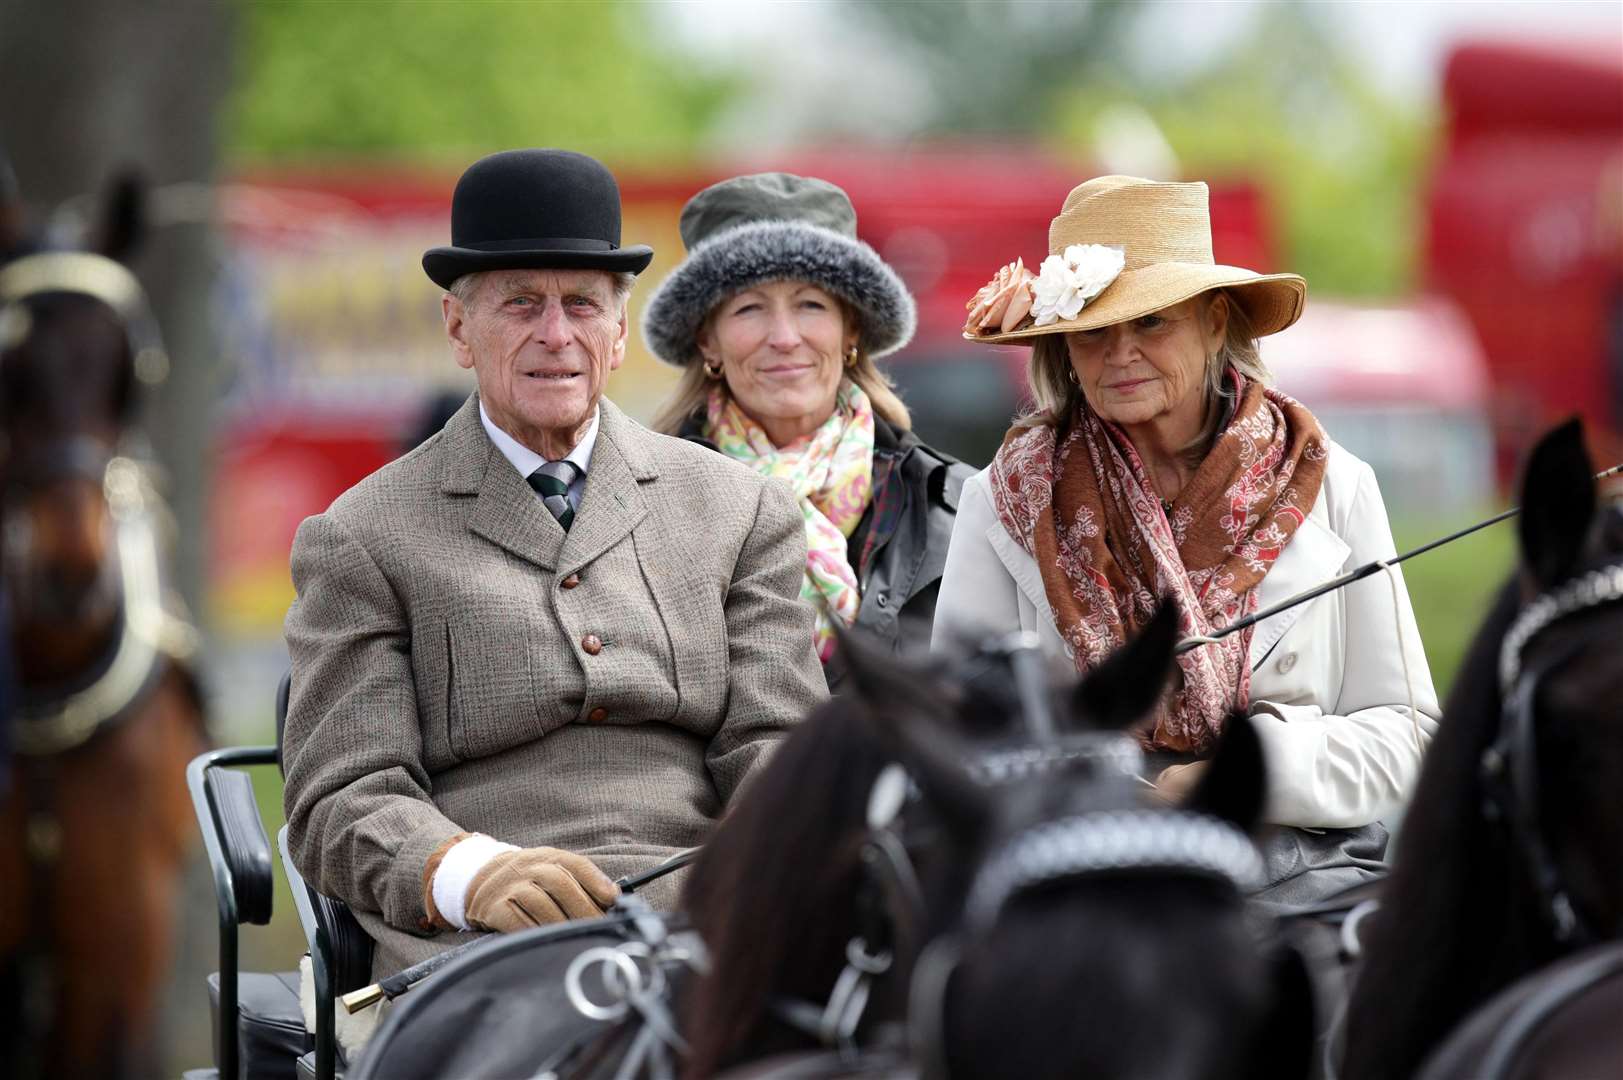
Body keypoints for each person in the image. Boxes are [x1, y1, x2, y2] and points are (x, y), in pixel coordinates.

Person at [281, 149, 827, 978]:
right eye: (520, 304)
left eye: (580, 304)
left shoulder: (739, 510)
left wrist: (759, 885)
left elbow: (777, 747)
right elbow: (342, 796)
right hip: (479, 947)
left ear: (617, 333)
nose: (555, 335)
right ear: (459, 328)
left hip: (707, 917)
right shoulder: (362, 536)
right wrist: (466, 874)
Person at [934, 175, 1440, 905]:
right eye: (1093, 332)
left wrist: (1240, 771)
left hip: (1301, 871)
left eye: (1150, 323)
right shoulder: (1006, 498)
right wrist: (1108, 793)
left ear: (1214, 322)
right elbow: (965, 732)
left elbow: (1406, 731)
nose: (1119, 355)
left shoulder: (1332, 484)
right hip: (1078, 870)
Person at [642, 173, 971, 680]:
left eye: (810, 305)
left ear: (851, 329)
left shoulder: (957, 507)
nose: (784, 337)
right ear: (707, 340)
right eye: (749, 308)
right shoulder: (642, 512)